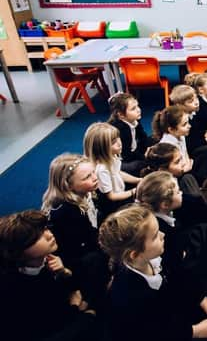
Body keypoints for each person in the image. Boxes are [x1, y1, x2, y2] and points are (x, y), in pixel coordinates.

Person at [99, 204, 207, 341]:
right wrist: (194, 331)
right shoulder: (129, 297)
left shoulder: (157, 256)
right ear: (134, 254)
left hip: (171, 313)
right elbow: (153, 333)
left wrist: (202, 300)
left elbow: (179, 275)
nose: (163, 235)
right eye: (155, 236)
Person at [0, 210, 97, 341]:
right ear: (18, 251)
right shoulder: (11, 289)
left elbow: (76, 291)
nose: (49, 235)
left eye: (45, 228)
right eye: (37, 237)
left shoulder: (52, 258)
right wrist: (82, 315)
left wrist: (64, 273)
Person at [41, 153, 109, 308]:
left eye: (93, 172)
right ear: (68, 186)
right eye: (87, 177)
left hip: (84, 242)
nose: (94, 177)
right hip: (70, 257)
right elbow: (80, 244)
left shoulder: (84, 193)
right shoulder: (67, 211)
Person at [83, 122, 140, 219]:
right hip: (114, 206)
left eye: (118, 138)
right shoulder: (101, 170)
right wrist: (133, 191)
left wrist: (138, 180)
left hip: (120, 192)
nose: (119, 143)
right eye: (113, 142)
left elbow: (118, 173)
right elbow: (111, 196)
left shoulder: (112, 157)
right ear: (101, 148)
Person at [171, 83, 207, 175]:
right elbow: (187, 143)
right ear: (180, 105)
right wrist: (204, 140)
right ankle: (202, 175)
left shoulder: (193, 113)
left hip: (195, 141)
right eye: (191, 101)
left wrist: (204, 135)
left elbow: (195, 133)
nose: (196, 102)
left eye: (196, 98)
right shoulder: (181, 120)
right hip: (186, 152)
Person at [108, 92, 153, 176]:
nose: (138, 110)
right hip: (121, 160)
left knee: (154, 139)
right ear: (121, 115)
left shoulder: (134, 119)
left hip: (133, 150)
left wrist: (148, 148)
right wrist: (144, 157)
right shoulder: (120, 129)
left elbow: (142, 136)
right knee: (139, 165)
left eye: (137, 106)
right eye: (133, 109)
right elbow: (126, 154)